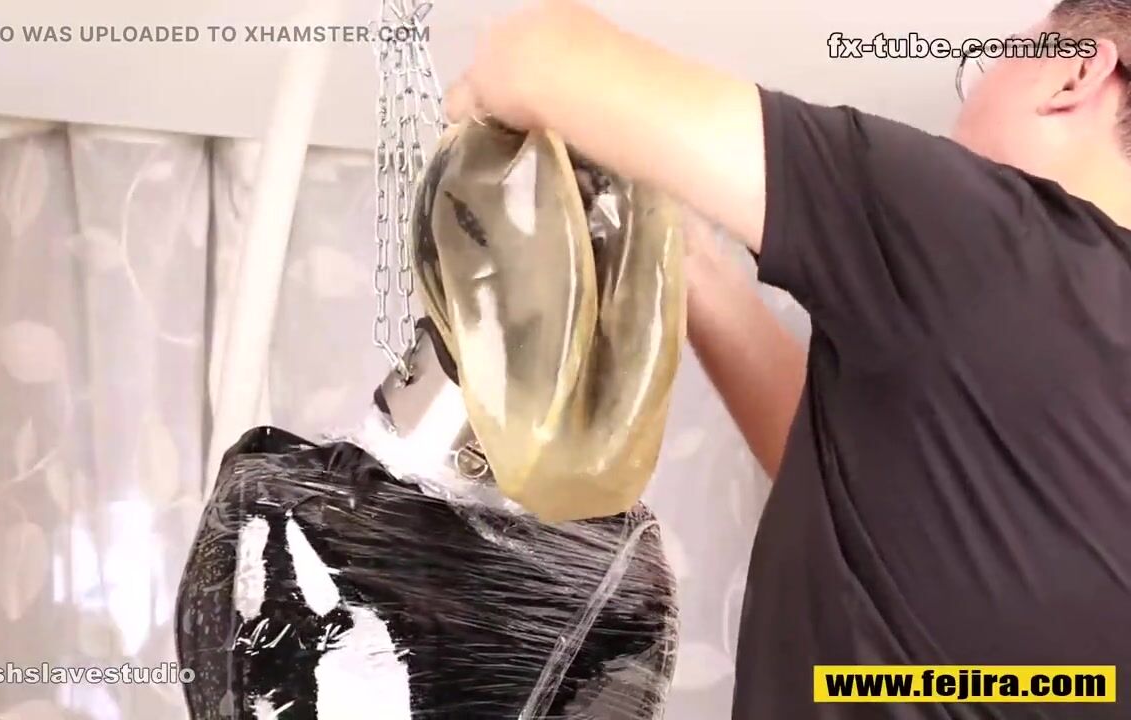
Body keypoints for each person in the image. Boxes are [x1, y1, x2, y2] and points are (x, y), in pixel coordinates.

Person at [444, 1, 1131, 717]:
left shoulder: (990, 232)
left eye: (996, 59)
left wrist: (468, 119)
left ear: (1074, 74)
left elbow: (539, 56)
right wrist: (680, 253)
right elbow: (875, 487)